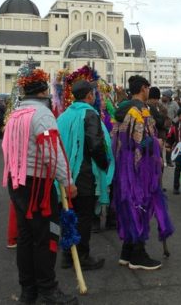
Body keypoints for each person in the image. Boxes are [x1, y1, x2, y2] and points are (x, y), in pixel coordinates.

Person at [2, 67, 78, 304]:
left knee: (25, 238)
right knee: (46, 236)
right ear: (44, 91)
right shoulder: (42, 115)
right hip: (38, 187)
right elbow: (51, 153)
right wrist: (67, 181)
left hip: (17, 182)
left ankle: (29, 290)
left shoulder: (16, 114)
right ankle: (47, 289)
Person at [112, 75, 173, 270]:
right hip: (140, 168)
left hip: (124, 165)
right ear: (144, 89)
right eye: (148, 88)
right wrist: (157, 143)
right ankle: (138, 255)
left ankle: (127, 252)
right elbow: (141, 142)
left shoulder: (121, 109)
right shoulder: (140, 111)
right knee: (140, 205)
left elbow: (118, 139)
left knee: (130, 204)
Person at [57, 79, 111, 271]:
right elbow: (96, 145)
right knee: (83, 216)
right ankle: (82, 256)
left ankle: (67, 255)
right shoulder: (89, 114)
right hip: (84, 174)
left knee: (68, 213)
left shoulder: (64, 116)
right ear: (89, 95)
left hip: (64, 174)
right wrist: (105, 164)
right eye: (94, 93)